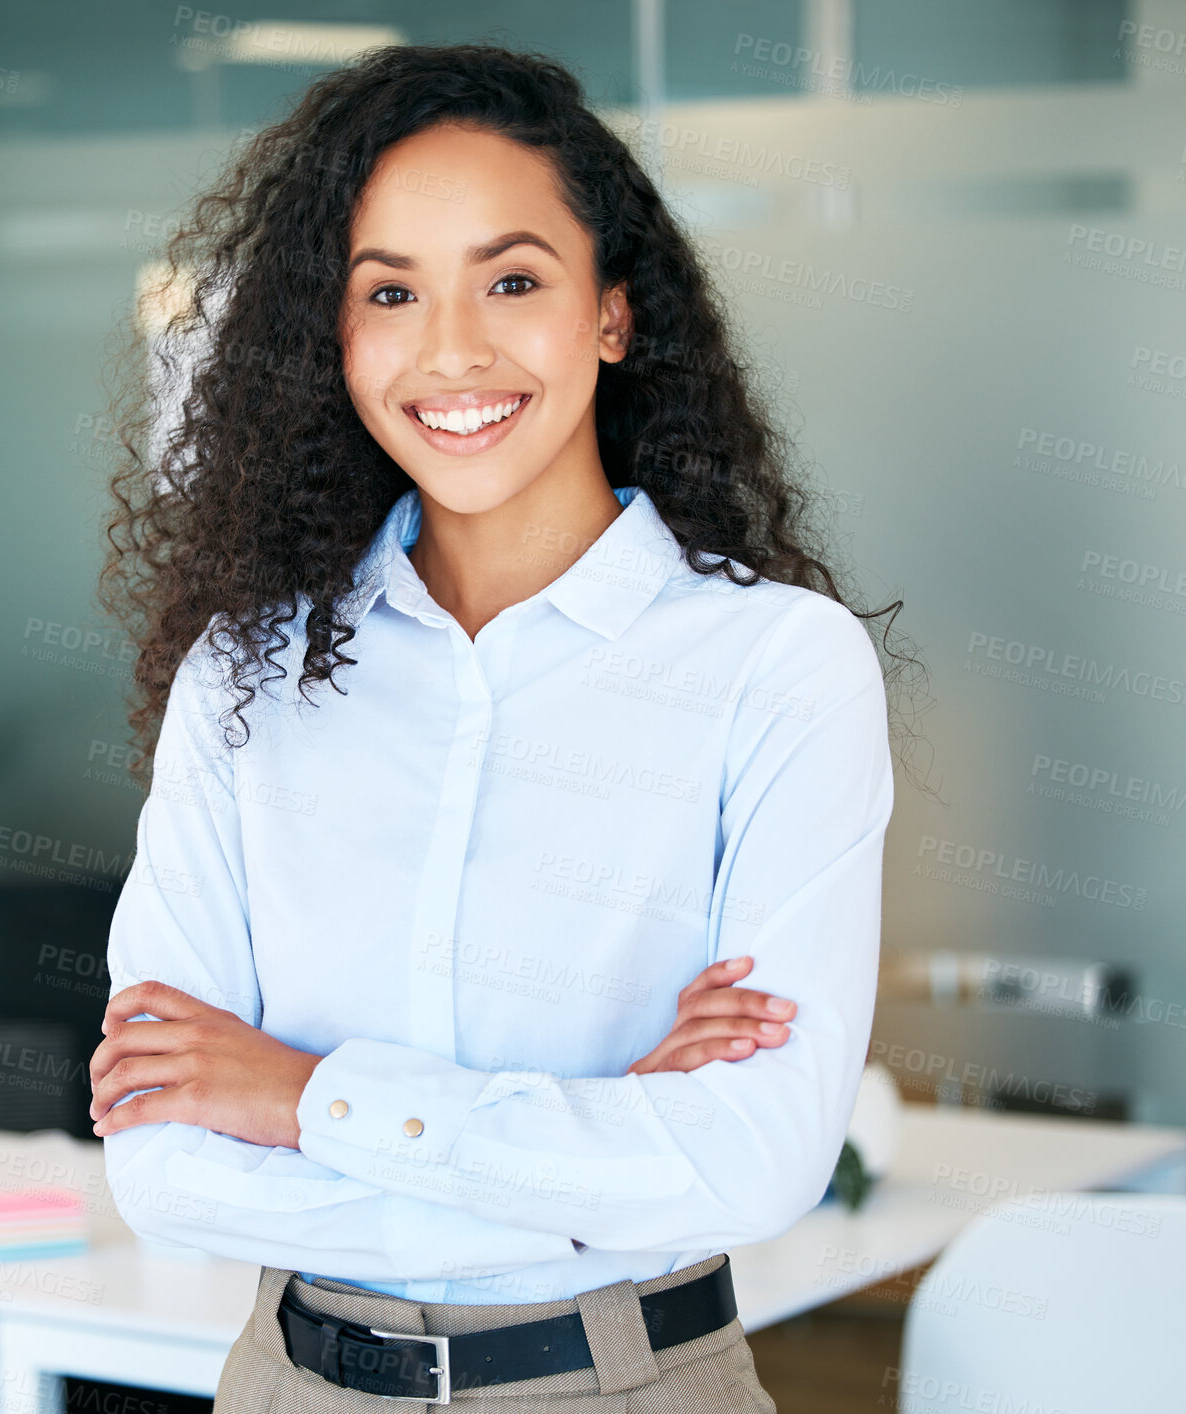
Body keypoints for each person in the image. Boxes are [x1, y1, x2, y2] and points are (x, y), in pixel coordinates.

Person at [89, 41, 910, 1414]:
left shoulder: (775, 666)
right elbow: (166, 1170)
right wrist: (603, 1148)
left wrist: (299, 1099)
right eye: (389, 291)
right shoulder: (243, 675)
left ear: (610, 313)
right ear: (330, 336)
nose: (452, 348)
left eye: (512, 279)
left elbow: (758, 1161)